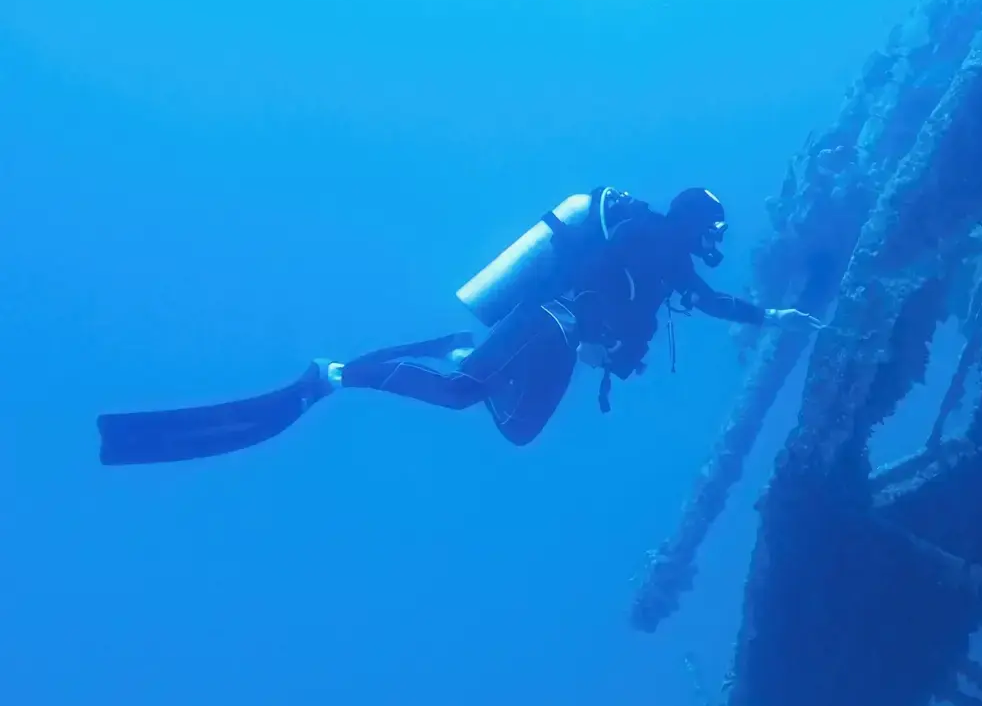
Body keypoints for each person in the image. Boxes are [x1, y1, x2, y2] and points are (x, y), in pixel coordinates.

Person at [97, 187, 826, 465]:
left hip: (564, 338)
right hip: (552, 321)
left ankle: (461, 351)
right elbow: (608, 275)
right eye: (714, 230)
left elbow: (705, 299)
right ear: (692, 221)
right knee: (459, 395)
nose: (716, 242)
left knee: (518, 430)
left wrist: (770, 315)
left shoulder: (669, 259)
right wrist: (591, 334)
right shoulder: (649, 236)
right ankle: (337, 375)